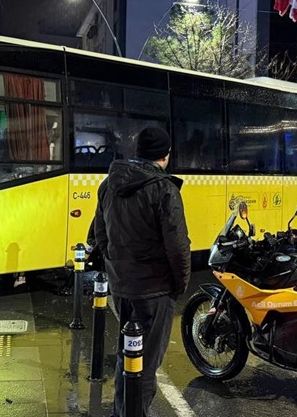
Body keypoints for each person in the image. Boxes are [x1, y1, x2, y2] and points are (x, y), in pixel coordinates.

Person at [92, 126, 191, 417]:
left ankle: (121, 411)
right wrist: (180, 283)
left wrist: (115, 264)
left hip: (122, 287)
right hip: (154, 289)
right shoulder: (164, 189)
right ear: (165, 156)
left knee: (128, 354)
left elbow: (100, 233)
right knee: (145, 364)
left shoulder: (109, 185)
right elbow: (177, 246)